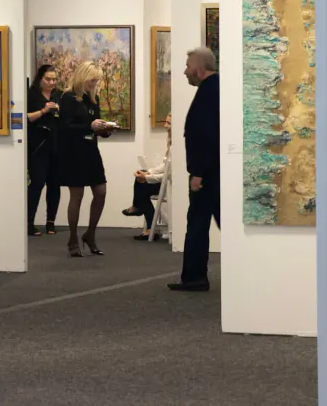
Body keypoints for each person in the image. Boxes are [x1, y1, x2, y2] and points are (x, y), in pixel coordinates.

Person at [169, 47, 220, 292]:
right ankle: (194, 275)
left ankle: (194, 277)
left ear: (199, 69)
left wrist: (198, 173)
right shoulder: (213, 90)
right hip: (212, 171)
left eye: (188, 66)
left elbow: (206, 136)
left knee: (198, 225)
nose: (185, 72)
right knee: (206, 223)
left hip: (208, 174)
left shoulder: (209, 92)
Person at [58, 62, 118, 257]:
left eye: (96, 80)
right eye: (92, 80)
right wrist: (89, 126)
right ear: (82, 77)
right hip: (73, 152)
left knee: (101, 191)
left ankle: (90, 233)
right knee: (77, 195)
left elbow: (95, 125)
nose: (94, 83)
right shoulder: (68, 98)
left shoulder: (94, 99)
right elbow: (65, 128)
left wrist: (105, 130)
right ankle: (73, 239)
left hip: (91, 150)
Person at [122, 112, 172, 240]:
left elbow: (169, 173)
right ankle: (147, 223)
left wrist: (147, 178)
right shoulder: (170, 141)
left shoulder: (176, 146)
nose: (166, 126)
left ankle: (138, 210)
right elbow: (164, 166)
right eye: (165, 122)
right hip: (165, 180)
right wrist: (148, 173)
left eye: (169, 123)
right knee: (141, 177)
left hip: (171, 185)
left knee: (142, 188)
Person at [27, 64, 62, 236]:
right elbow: (24, 117)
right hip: (37, 146)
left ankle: (51, 222)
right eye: (48, 79)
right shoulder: (30, 94)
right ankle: (29, 222)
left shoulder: (59, 95)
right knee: (37, 184)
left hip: (56, 145)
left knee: (54, 185)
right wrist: (43, 110)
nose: (51, 82)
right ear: (40, 78)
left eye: (54, 79)